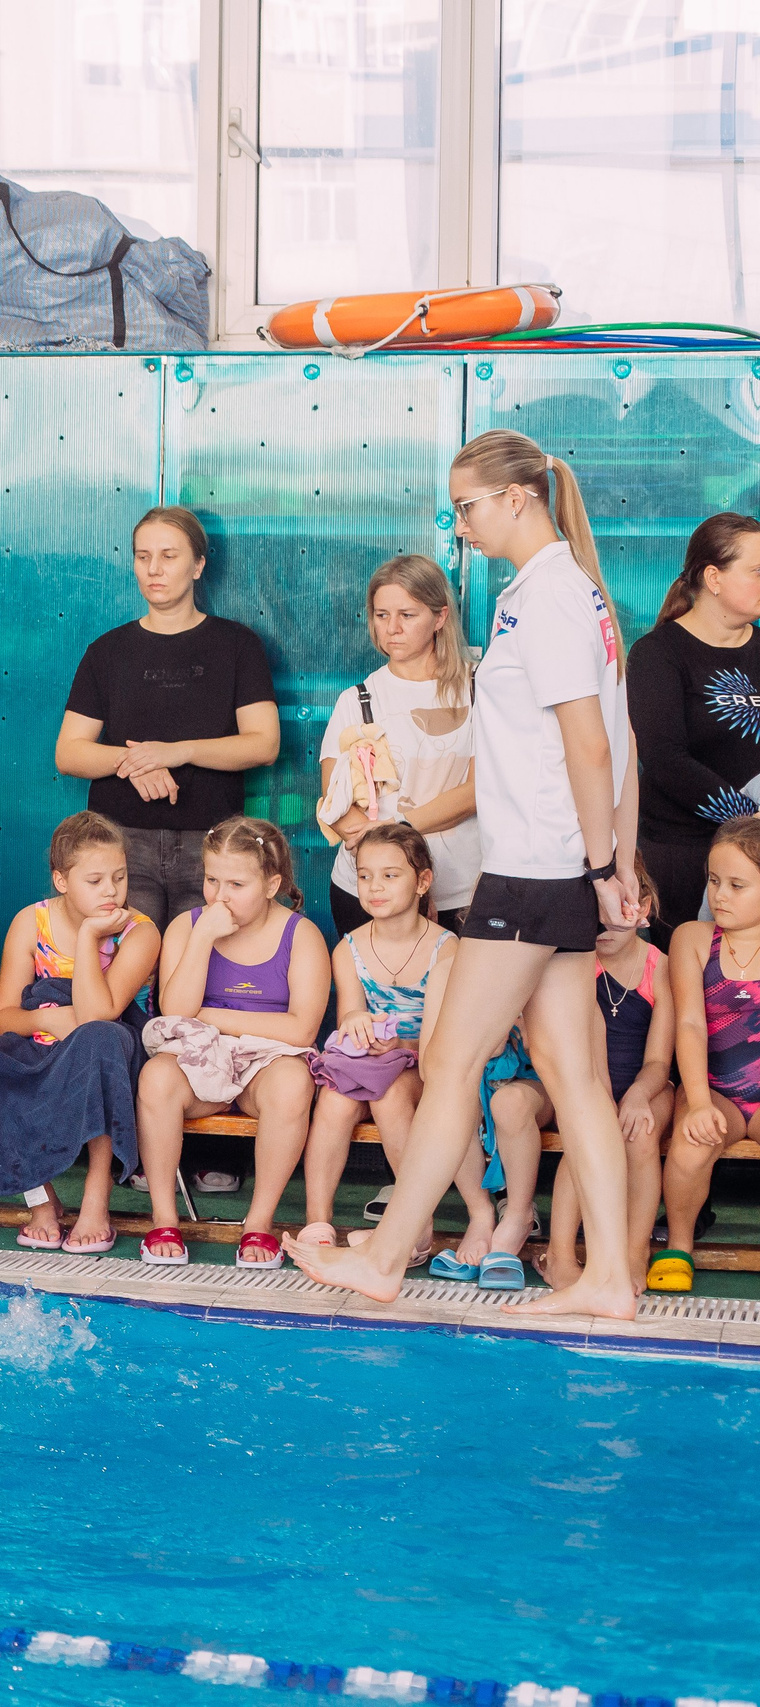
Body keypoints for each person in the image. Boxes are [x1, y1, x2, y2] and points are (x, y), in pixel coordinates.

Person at [292, 429, 646, 1320]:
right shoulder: (564, 593)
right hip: (555, 866)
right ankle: (610, 1277)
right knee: (575, 1076)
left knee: (450, 1058)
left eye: (469, 506)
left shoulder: (553, 597)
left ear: (518, 498)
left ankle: (380, 1257)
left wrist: (608, 867)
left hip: (533, 871)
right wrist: (613, 863)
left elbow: (595, 743)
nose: (462, 526)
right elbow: (620, 740)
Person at [55, 505, 280, 931]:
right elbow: (69, 752)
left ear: (198, 566)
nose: (153, 569)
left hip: (213, 848)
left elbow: (263, 743)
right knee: (125, 977)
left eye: (169, 556)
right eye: (143, 557)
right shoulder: (107, 651)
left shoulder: (238, 645)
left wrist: (177, 752)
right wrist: (133, 761)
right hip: (120, 847)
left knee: (197, 975)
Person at [0, 810, 160, 1256]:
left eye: (120, 878)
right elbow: (5, 1016)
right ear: (62, 880)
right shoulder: (32, 922)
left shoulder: (139, 933)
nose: (112, 891)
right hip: (44, 1039)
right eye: (96, 880)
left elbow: (100, 1012)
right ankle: (41, 1199)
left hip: (114, 1043)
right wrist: (45, 1020)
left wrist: (89, 937)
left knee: (99, 1039)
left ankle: (95, 1198)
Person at [134, 817, 330, 1268]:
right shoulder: (188, 926)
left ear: (271, 883)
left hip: (267, 1063)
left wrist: (214, 1016)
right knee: (156, 1077)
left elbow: (301, 1030)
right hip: (201, 1057)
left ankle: (258, 1225)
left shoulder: (300, 935)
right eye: (211, 880)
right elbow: (177, 1010)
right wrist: (203, 935)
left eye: (237, 883)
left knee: (293, 1084)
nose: (221, 895)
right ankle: (164, 1219)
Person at [289, 824, 472, 1268]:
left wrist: (399, 1042)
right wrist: (358, 1024)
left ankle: (415, 1226)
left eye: (390, 876)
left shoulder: (446, 948)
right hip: (372, 1059)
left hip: (422, 1058)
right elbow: (350, 1013)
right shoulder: (348, 948)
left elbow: (442, 1035)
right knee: (332, 1100)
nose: (375, 887)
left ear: (422, 882)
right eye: (366, 875)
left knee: (390, 1099)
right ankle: (319, 1221)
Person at [506, 856, 672, 1293]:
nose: (602, 931)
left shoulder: (660, 966)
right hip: (584, 1081)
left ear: (643, 906)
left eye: (614, 920)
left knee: (640, 1132)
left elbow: (659, 1060)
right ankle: (560, 1254)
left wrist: (637, 1094)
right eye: (593, 921)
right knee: (588, 1123)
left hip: (646, 1083)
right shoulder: (574, 967)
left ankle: (634, 1251)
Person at [317, 555, 480, 936]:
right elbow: (334, 800)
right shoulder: (357, 699)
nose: (392, 628)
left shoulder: (479, 687)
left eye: (407, 615)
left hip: (463, 889)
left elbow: (478, 791)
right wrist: (398, 882)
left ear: (440, 617)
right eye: (381, 615)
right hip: (371, 892)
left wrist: (405, 846)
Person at [626, 513, 760, 942]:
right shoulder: (656, 654)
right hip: (682, 855)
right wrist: (749, 819)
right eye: (757, 571)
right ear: (714, 578)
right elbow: (665, 760)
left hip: (754, 856)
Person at [651, 819, 760, 1294]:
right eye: (714, 881)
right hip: (715, 1089)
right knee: (692, 1143)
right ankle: (679, 1245)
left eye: (737, 885)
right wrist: (696, 1102)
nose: (720, 895)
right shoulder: (694, 939)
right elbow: (690, 1025)